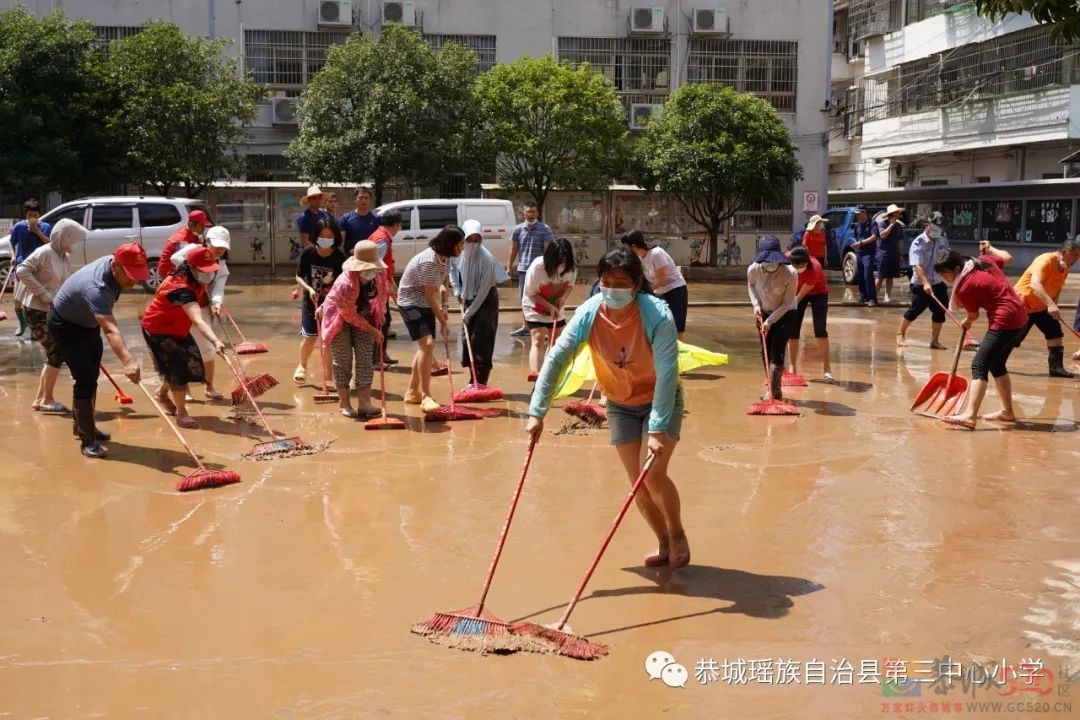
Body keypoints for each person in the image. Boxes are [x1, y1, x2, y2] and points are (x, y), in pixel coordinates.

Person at [526, 247, 689, 569]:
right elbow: (557, 358)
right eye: (606, 282)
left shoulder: (657, 314)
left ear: (636, 282)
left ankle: (678, 533)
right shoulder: (589, 313)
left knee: (653, 476)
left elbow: (668, 371)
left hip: (661, 399)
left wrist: (657, 428)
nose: (612, 289)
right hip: (620, 403)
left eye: (620, 282)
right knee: (637, 485)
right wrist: (537, 412)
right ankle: (663, 541)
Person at [48, 243, 148, 459]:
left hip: (88, 323)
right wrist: (128, 360)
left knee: (92, 374)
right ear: (115, 267)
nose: (135, 280)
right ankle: (87, 440)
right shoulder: (97, 287)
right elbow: (110, 329)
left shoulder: (115, 267)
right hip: (64, 324)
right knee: (84, 378)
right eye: (130, 275)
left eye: (138, 274)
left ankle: (83, 425)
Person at [936, 244, 1026, 429]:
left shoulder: (965, 287)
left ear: (957, 269)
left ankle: (970, 415)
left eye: (945, 274)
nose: (944, 279)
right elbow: (1008, 257)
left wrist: (968, 321)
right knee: (997, 364)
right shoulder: (984, 261)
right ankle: (1007, 411)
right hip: (1020, 316)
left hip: (1005, 319)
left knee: (979, 365)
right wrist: (991, 248)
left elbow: (974, 314)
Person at [141, 247, 228, 429]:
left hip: (178, 328)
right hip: (158, 329)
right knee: (178, 368)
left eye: (210, 269)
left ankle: (161, 393)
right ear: (192, 268)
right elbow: (198, 320)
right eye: (205, 270)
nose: (209, 274)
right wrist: (215, 341)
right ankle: (182, 413)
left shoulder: (194, 279)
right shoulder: (180, 288)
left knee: (192, 363)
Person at [15, 219, 86, 413]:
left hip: (52, 309)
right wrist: (43, 294)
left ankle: (41, 399)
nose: (77, 244)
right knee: (56, 352)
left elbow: (63, 283)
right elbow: (22, 270)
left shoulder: (64, 256)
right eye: (75, 240)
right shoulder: (44, 252)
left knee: (54, 353)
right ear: (64, 237)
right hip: (35, 309)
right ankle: (46, 399)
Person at [396, 225, 465, 412]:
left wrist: (444, 307)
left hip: (426, 302)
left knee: (425, 347)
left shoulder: (446, 259)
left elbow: (443, 286)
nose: (462, 248)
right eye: (459, 245)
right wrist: (443, 322)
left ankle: (412, 392)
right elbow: (428, 294)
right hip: (410, 301)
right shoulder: (429, 261)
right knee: (427, 344)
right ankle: (426, 395)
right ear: (449, 244)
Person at [319, 241, 388, 418]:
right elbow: (348, 315)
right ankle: (345, 404)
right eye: (367, 268)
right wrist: (373, 330)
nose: (371, 271)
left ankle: (365, 404)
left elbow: (381, 298)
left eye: (373, 267)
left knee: (365, 358)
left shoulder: (379, 275)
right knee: (343, 360)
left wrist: (379, 318)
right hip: (339, 317)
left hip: (364, 314)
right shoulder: (345, 283)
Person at [167, 226, 232, 400]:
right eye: (215, 245)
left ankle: (209, 388)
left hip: (202, 307)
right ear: (206, 241)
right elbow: (175, 258)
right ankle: (185, 390)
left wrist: (217, 303)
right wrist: (194, 263)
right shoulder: (194, 252)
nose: (219, 250)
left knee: (208, 349)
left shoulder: (221, 266)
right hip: (181, 305)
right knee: (182, 348)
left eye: (223, 247)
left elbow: (219, 288)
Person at [450, 219, 509, 387]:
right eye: (469, 239)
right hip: (467, 298)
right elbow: (452, 270)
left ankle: (481, 380)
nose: (473, 244)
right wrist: (457, 290)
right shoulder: (459, 253)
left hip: (486, 301)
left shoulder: (487, 259)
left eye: (477, 240)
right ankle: (472, 378)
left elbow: (483, 291)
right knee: (467, 337)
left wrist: (469, 313)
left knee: (481, 339)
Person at [1013, 239, 1080, 378]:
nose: (1077, 260)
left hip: (1042, 307)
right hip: (1023, 306)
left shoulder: (1065, 267)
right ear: (1064, 252)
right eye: (1076, 256)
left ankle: (1056, 369)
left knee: (1055, 333)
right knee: (1012, 339)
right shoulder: (1044, 260)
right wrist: (1050, 304)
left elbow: (1057, 288)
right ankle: (990, 360)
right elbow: (1035, 285)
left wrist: (1054, 305)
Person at [294, 220, 345, 385]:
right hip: (311, 302)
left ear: (335, 237)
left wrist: (328, 302)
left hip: (331, 305)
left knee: (327, 339)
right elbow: (299, 276)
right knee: (310, 337)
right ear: (316, 235)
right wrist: (308, 289)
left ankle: (329, 377)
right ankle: (302, 364)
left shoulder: (339, 256)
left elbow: (341, 282)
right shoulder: (308, 253)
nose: (325, 238)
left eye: (329, 236)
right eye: (322, 235)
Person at [747, 236, 798, 401]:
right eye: (766, 262)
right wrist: (756, 306)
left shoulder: (790, 274)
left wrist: (770, 321)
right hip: (763, 311)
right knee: (765, 351)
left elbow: (787, 302)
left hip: (785, 313)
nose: (770, 266)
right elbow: (752, 286)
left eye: (773, 262)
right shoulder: (753, 270)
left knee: (777, 350)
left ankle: (775, 393)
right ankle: (771, 384)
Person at [523, 237, 577, 381]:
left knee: (557, 340)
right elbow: (531, 293)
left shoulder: (571, 268)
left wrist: (563, 298)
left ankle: (549, 375)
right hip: (535, 307)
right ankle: (536, 374)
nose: (561, 266)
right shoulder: (537, 267)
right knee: (538, 338)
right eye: (558, 262)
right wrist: (548, 306)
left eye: (564, 262)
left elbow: (570, 285)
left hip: (557, 308)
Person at [620, 230, 688, 341]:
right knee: (659, 324)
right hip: (659, 292)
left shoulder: (656, 253)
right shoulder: (639, 259)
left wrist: (647, 292)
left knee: (676, 326)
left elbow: (662, 279)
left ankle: (678, 350)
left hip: (675, 291)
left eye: (627, 248)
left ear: (633, 246)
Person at [897, 213, 950, 349]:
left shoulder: (943, 240)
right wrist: (926, 283)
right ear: (928, 226)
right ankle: (900, 334)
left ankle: (935, 341)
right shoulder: (918, 243)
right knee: (915, 310)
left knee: (940, 311)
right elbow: (918, 266)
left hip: (938, 282)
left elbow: (946, 259)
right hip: (920, 284)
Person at [507, 201, 554, 337]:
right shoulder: (518, 229)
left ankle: (544, 328)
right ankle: (526, 327)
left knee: (542, 297)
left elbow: (548, 250)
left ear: (537, 213)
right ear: (524, 213)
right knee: (524, 299)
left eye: (533, 212)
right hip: (523, 270)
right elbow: (513, 249)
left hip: (540, 270)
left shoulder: (545, 229)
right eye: (528, 212)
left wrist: (549, 269)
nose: (531, 214)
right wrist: (509, 267)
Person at [786, 245, 832, 381]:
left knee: (820, 330)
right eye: (796, 266)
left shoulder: (815, 268)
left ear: (807, 262)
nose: (799, 268)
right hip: (797, 291)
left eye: (802, 265)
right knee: (793, 330)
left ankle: (827, 368)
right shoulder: (787, 258)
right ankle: (792, 367)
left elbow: (799, 297)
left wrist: (789, 305)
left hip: (818, 293)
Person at [10, 198, 53, 337]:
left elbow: (50, 244)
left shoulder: (46, 227)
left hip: (39, 267)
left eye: (35, 215)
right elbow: (12, 242)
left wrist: (37, 232)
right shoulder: (19, 227)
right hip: (22, 266)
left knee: (37, 300)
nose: (32, 218)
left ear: (39, 215)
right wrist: (13, 256)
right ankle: (22, 323)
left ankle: (36, 328)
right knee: (18, 300)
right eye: (30, 215)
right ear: (26, 215)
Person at [369, 209, 403, 364]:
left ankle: (381, 354)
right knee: (380, 321)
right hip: (376, 289)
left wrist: (391, 282)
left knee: (385, 320)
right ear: (395, 225)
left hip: (381, 286)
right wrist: (385, 285)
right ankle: (375, 358)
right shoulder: (382, 240)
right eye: (399, 225)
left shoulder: (381, 235)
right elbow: (375, 267)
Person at [157, 209, 211, 278]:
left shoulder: (193, 232)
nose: (204, 228)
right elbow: (185, 260)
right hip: (170, 273)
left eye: (204, 225)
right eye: (201, 225)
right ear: (191, 225)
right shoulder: (181, 240)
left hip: (180, 269)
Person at [873, 204, 905, 304]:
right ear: (892, 214)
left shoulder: (899, 226)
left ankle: (887, 296)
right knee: (880, 276)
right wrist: (891, 225)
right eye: (897, 213)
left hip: (894, 254)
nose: (899, 214)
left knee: (890, 276)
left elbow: (900, 241)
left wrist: (901, 254)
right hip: (883, 253)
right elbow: (882, 236)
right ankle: (873, 296)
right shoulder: (882, 224)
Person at [339, 187, 380, 254]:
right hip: (351, 259)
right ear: (355, 199)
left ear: (370, 200)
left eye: (366, 198)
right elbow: (341, 244)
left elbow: (380, 241)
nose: (363, 200)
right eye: (361, 197)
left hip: (371, 258)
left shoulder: (377, 219)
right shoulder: (345, 218)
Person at [851, 206, 877, 305]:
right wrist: (855, 244)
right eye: (856, 214)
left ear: (864, 213)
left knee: (868, 276)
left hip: (868, 254)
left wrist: (861, 243)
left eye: (859, 213)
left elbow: (874, 237)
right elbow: (856, 237)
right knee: (860, 276)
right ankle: (863, 297)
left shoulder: (872, 223)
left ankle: (872, 299)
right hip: (859, 253)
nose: (857, 215)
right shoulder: (857, 225)